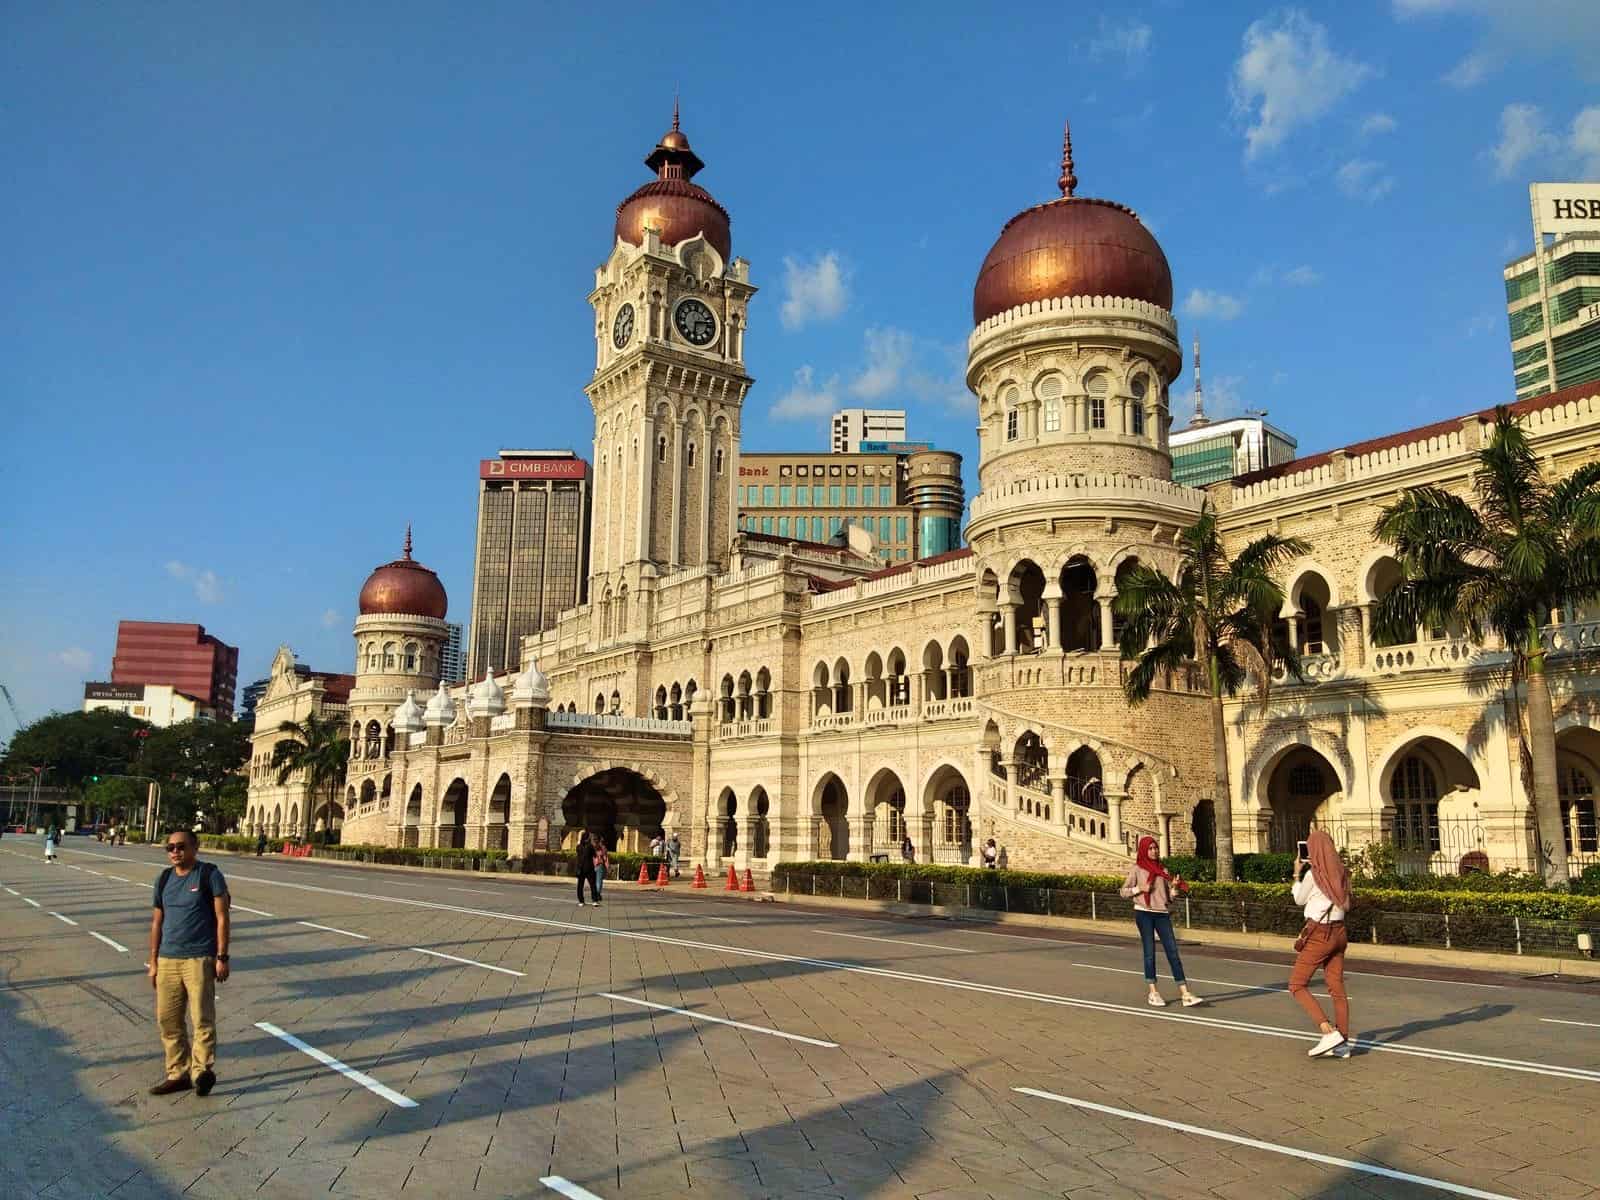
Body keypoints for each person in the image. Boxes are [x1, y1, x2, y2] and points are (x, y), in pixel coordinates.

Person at [148, 829, 230, 1097]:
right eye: (170, 847)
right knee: (168, 1020)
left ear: (195, 847)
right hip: (168, 958)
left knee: (201, 1018)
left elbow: (222, 917)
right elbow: (157, 921)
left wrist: (222, 957)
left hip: (199, 958)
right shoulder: (163, 879)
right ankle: (177, 1073)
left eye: (181, 846)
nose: (175, 852)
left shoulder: (208, 875)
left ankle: (200, 1072)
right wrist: (153, 960)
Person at [1289, 829, 1352, 1059]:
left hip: (1320, 934)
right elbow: (1346, 904)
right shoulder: (1343, 873)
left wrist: (1296, 875)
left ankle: (1327, 1031)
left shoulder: (1313, 876)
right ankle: (1343, 1043)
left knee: (1297, 984)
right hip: (1340, 932)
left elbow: (1298, 899)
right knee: (1336, 987)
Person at [1119, 836, 1202, 1007]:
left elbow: (1168, 898)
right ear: (1143, 850)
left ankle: (1185, 993)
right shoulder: (1137, 869)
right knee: (1150, 953)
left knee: (1173, 952)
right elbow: (1123, 891)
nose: (1154, 851)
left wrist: (1175, 889)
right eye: (1150, 848)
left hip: (1162, 913)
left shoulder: (1162, 870)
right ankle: (1153, 992)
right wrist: (1139, 889)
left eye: (1155, 848)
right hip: (1144, 913)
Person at [574, 830, 599, 906]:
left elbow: (578, 852)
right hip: (589, 868)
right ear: (588, 838)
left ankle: (581, 901)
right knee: (592, 885)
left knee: (580, 885)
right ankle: (594, 901)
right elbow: (595, 855)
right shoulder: (590, 846)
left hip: (580, 868)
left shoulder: (578, 847)